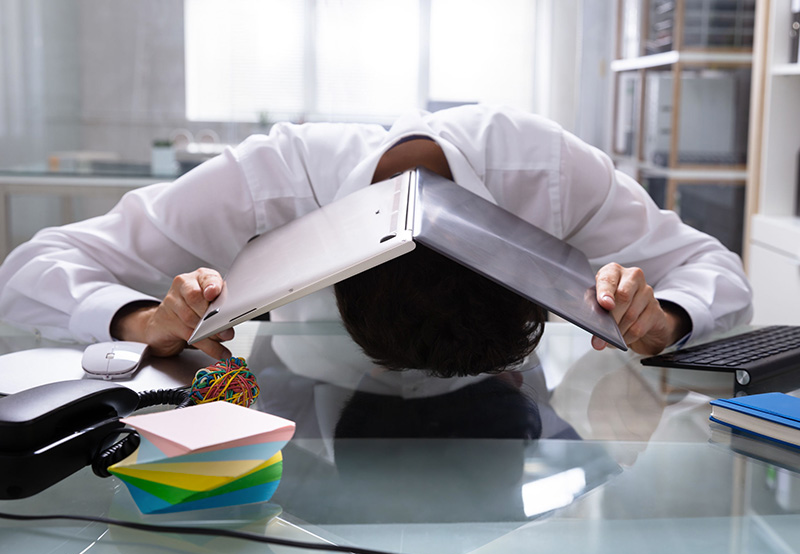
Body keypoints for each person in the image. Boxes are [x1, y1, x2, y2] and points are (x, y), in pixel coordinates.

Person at [0, 104, 752, 375]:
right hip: (308, 400)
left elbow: (712, 266)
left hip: (510, 405)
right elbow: (31, 269)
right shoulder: (272, 177)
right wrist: (143, 322)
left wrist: (669, 317)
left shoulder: (546, 166)